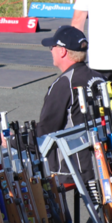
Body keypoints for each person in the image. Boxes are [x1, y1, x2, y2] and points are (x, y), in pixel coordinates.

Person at [35, 25, 104, 177]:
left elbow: (45, 132)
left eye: (52, 47)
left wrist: (14, 141)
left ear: (62, 51)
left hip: (74, 167)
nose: (51, 51)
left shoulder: (64, 84)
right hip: (103, 156)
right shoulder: (99, 77)